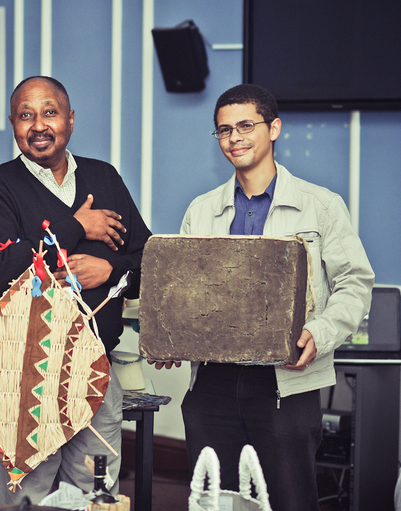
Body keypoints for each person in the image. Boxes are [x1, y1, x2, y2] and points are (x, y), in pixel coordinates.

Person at [154, 84, 374, 511]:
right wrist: (171, 335)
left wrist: (320, 332)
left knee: (289, 499)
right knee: (213, 500)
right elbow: (183, 293)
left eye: (245, 126)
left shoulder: (321, 206)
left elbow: (355, 283)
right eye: (223, 130)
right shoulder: (200, 210)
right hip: (212, 384)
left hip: (286, 383)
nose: (234, 137)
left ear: (273, 128)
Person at [0, 76, 152, 503]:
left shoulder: (103, 177)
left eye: (50, 112)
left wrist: (109, 269)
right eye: (26, 115)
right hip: (23, 374)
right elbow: (2, 272)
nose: (39, 125)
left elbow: (148, 262)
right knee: (26, 500)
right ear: (13, 124)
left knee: (96, 496)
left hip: (96, 374)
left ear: (70, 120)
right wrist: (77, 227)